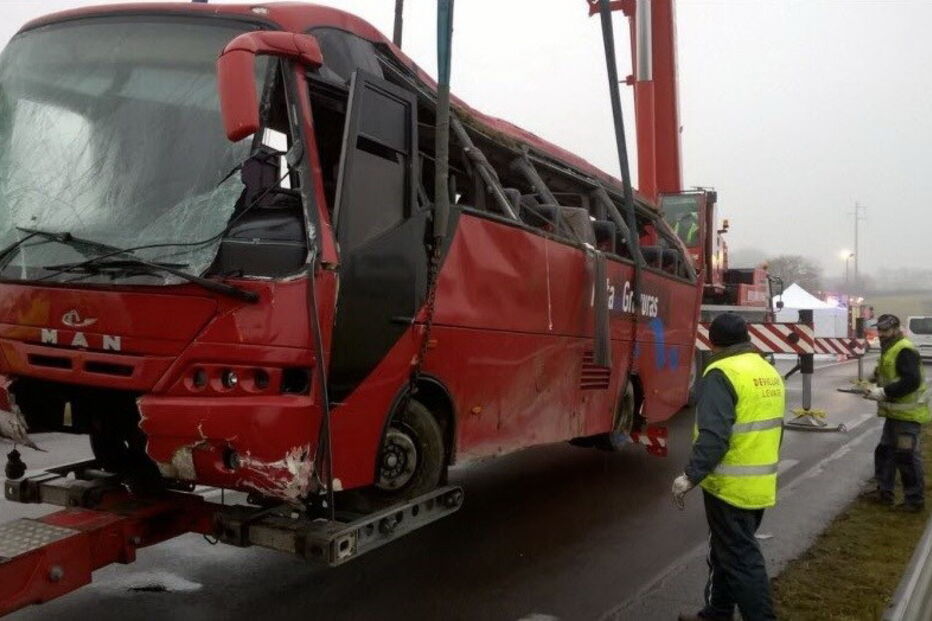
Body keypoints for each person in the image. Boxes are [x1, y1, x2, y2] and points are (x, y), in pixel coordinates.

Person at [673, 312, 785, 621]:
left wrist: (690, 476)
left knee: (741, 559)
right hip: (759, 483)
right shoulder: (766, 370)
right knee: (728, 553)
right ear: (747, 337)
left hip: (729, 486)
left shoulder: (721, 372)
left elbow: (714, 436)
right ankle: (717, 612)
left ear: (712, 341)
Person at [862, 313, 929, 512]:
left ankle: (914, 501)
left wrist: (883, 392)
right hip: (895, 415)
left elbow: (911, 381)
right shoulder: (891, 347)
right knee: (885, 452)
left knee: (906, 457)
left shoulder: (904, 349)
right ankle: (884, 492)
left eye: (884, 330)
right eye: (879, 329)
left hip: (908, 416)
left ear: (895, 329)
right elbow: (887, 372)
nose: (880, 334)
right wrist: (872, 381)